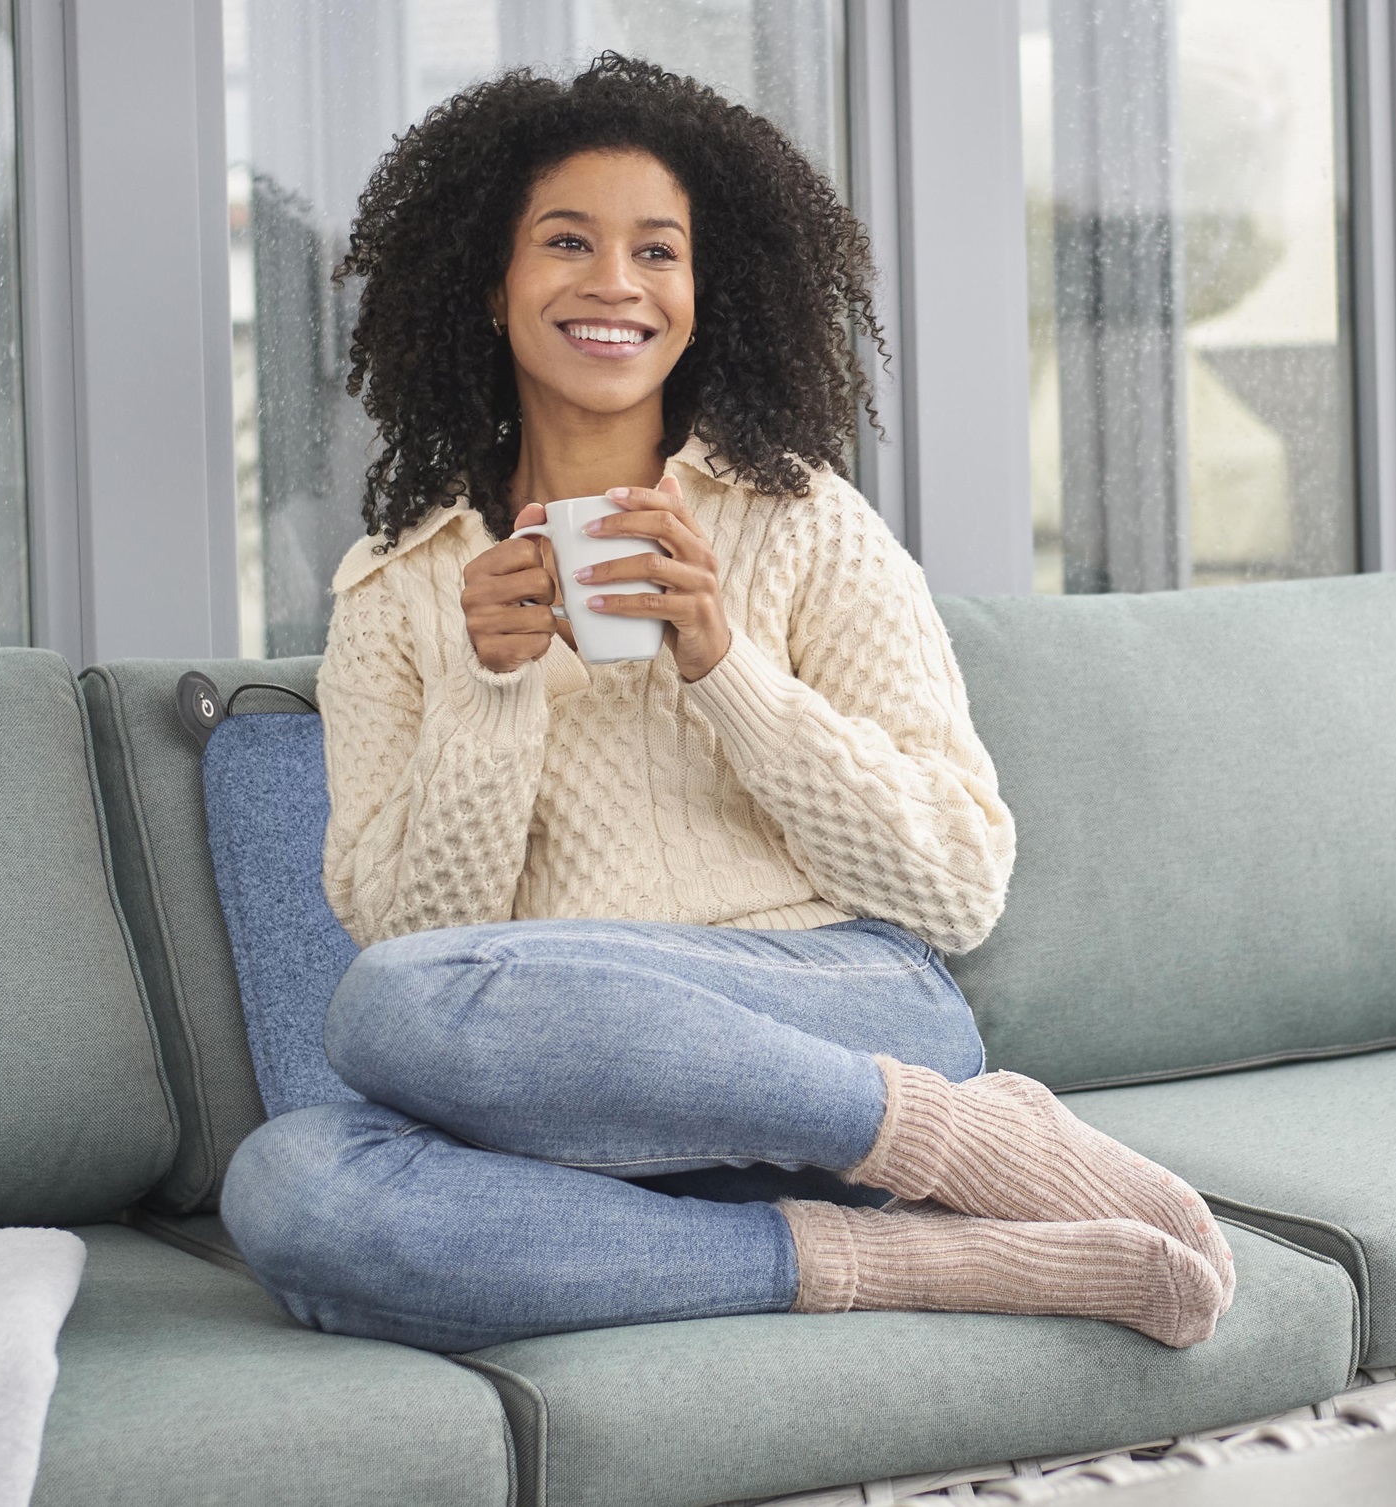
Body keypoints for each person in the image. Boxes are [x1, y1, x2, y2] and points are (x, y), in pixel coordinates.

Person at [221, 54, 1233, 1355]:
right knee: (295, 1186)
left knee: (381, 1011)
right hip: (563, 1097)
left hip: (838, 1021)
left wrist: (726, 668)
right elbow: (422, 942)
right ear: (489, 282)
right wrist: (491, 690)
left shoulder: (805, 525)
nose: (615, 284)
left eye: (658, 251)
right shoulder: (397, 591)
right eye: (567, 243)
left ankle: (959, 1137)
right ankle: (905, 1256)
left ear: (704, 295)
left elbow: (957, 882)